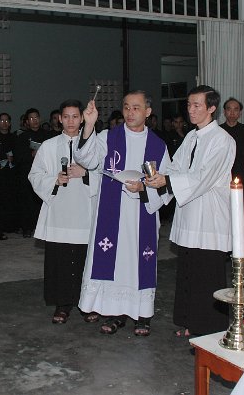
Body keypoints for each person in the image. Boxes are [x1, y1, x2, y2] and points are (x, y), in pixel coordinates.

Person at [75, 91, 170, 336]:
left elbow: (166, 185)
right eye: (126, 107)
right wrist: (89, 125)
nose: (130, 112)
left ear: (148, 112)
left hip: (142, 213)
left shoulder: (158, 146)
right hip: (111, 213)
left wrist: (144, 188)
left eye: (136, 108)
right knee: (115, 262)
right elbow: (86, 159)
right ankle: (115, 312)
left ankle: (142, 316)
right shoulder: (109, 137)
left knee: (139, 261)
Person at [146, 85, 235, 337]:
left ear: (211, 108)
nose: (191, 110)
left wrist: (168, 181)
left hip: (209, 217)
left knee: (207, 275)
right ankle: (189, 322)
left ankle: (208, 328)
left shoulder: (222, 140)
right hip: (189, 215)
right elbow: (176, 167)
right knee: (189, 272)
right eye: (189, 105)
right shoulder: (191, 137)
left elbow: (204, 177)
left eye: (197, 105)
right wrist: (158, 178)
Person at [29, 99, 99, 324]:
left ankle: (86, 304)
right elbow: (34, 175)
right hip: (59, 212)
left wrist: (86, 173)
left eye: (75, 116)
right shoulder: (48, 146)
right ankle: (62, 304)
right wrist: (54, 179)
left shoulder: (94, 145)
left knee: (84, 260)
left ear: (82, 119)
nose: (70, 121)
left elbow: (106, 173)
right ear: (59, 119)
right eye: (66, 117)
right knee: (59, 260)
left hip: (85, 211)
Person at [220, 97, 244, 250]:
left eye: (236, 109)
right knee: (224, 209)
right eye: (229, 109)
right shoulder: (218, 131)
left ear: (240, 113)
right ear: (224, 112)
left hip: (241, 173)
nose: (232, 112)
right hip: (222, 174)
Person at [14, 108, 53, 237]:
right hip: (27, 172)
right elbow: (18, 157)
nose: (34, 120)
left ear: (40, 119)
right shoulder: (22, 137)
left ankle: (43, 227)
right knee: (27, 201)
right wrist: (31, 154)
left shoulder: (48, 135)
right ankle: (27, 228)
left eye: (36, 117)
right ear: (27, 121)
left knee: (42, 200)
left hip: (45, 173)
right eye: (31, 118)